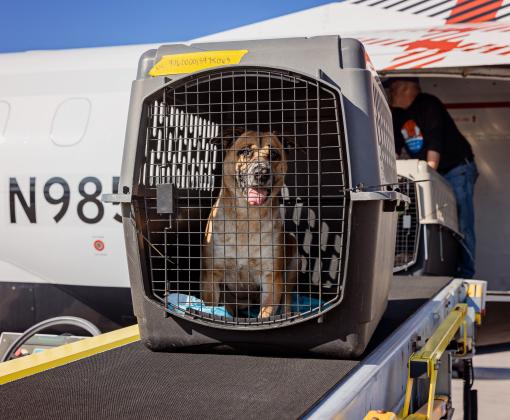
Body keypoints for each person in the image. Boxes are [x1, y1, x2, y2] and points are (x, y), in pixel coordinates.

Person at [388, 77, 478, 278]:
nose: (390, 94)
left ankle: (466, 275)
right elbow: (393, 150)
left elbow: (435, 142)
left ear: (405, 88)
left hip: (455, 169)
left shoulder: (428, 103)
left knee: (461, 222)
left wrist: (430, 180)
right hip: (430, 173)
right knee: (419, 217)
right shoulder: (397, 115)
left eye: (392, 88)